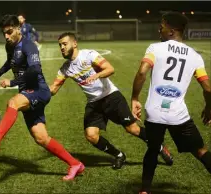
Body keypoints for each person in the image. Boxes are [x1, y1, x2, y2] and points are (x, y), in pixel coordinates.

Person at [0, 15, 84, 181]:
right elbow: (9, 62)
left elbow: (34, 70)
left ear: (18, 28)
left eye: (9, 32)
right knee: (41, 138)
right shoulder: (10, 45)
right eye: (4, 33)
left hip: (38, 90)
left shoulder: (29, 45)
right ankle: (75, 164)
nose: (6, 36)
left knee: (13, 102)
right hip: (27, 91)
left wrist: (12, 81)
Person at [49, 32, 174, 170]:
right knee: (91, 135)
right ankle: (119, 155)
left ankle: (159, 146)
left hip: (111, 96)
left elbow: (110, 69)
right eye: (60, 45)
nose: (62, 47)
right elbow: (53, 89)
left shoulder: (89, 55)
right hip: (94, 103)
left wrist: (96, 75)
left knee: (132, 129)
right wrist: (35, 90)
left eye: (64, 44)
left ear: (74, 43)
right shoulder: (65, 68)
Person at [131, 12, 211, 194]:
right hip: (178, 115)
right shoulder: (195, 56)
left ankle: (145, 190)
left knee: (152, 149)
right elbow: (207, 88)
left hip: (154, 112)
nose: (160, 28)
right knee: (200, 151)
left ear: (172, 31)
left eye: (163, 25)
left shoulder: (155, 48)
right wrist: (209, 108)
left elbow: (143, 72)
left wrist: (135, 98)